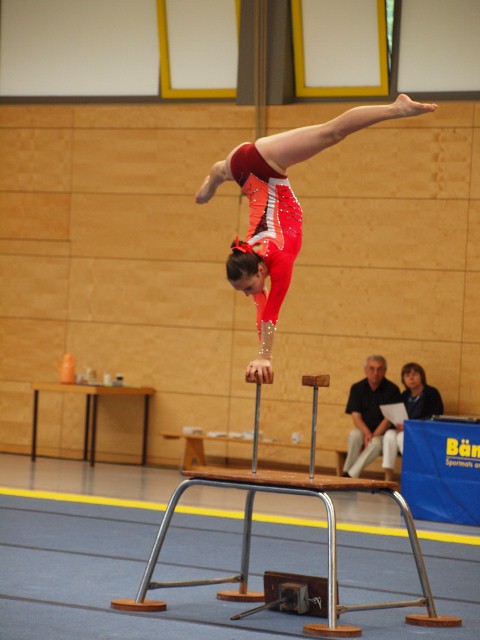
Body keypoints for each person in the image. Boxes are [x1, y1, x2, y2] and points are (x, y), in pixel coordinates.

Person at [195, 95, 438, 383]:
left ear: (260, 270)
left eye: (247, 288)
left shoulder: (280, 261)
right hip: (239, 165)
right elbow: (262, 310)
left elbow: (270, 313)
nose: (248, 294)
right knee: (226, 170)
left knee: (332, 133)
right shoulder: (249, 258)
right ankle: (215, 177)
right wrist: (262, 354)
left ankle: (396, 109)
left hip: (265, 163)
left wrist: (265, 356)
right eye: (243, 291)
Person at [382, 362, 444, 481]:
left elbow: (435, 417)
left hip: (422, 431)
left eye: (415, 374)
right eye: (407, 375)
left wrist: (410, 426)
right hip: (405, 429)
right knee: (389, 434)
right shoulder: (405, 395)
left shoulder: (431, 393)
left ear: (422, 376)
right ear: (403, 380)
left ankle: (412, 473)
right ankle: (388, 478)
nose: (411, 378)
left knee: (402, 437)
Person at [343, 355, 401, 478]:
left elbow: (387, 420)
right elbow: (356, 416)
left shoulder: (393, 390)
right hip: (364, 430)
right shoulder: (357, 388)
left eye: (379, 369)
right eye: (371, 368)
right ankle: (347, 470)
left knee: (375, 443)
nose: (375, 373)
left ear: (385, 371)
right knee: (354, 435)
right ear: (365, 370)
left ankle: (349, 475)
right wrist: (367, 433)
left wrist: (372, 436)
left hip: (382, 434)